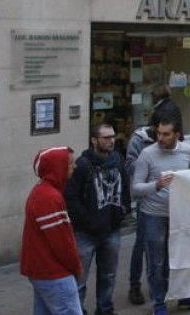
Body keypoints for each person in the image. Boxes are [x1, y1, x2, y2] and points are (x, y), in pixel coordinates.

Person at [131, 120, 190, 313]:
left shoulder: (187, 151)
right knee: (156, 262)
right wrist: (156, 185)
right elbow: (136, 188)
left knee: (182, 257)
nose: (160, 138)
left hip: (181, 215)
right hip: (154, 216)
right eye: (158, 133)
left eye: (166, 134)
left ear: (177, 135)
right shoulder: (147, 154)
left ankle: (185, 296)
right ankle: (159, 303)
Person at [66, 122, 129, 315]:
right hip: (86, 233)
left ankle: (105, 309)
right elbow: (71, 198)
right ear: (94, 140)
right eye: (106, 137)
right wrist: (88, 221)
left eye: (113, 136)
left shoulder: (118, 160)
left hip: (111, 230)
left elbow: (125, 187)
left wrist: (123, 210)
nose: (111, 141)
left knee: (108, 275)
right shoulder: (82, 165)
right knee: (80, 278)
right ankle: (77, 311)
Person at [22, 146, 82, 315]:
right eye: (70, 163)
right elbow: (62, 242)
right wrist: (76, 267)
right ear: (58, 167)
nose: (74, 167)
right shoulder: (50, 197)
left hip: (43, 271)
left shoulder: (42, 192)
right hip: (54, 273)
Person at [123, 124, 155, 306]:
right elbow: (129, 166)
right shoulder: (139, 140)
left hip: (167, 199)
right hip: (145, 198)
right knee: (142, 243)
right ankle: (135, 286)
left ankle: (158, 286)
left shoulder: (175, 139)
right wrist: (151, 163)